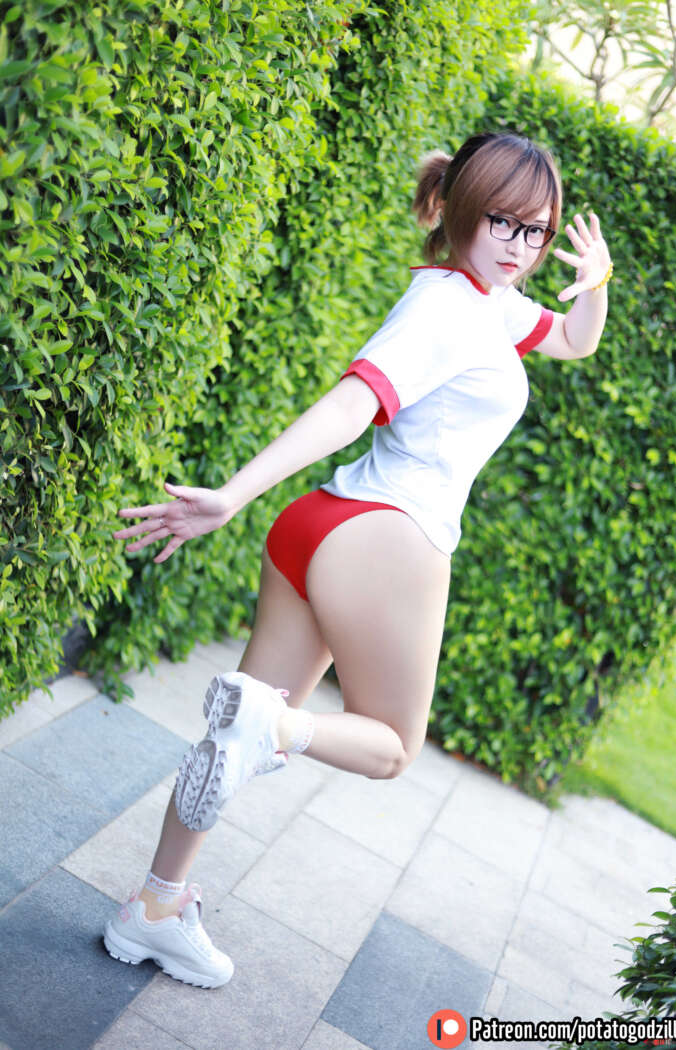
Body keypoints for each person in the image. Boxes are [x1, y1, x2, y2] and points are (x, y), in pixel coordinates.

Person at [104, 131, 612, 987]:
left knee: (230, 734)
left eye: (536, 230)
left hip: (322, 529)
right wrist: (233, 493)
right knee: (390, 747)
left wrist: (595, 282)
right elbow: (350, 403)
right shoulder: (447, 310)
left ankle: (152, 907)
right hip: (389, 538)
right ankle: (273, 731)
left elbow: (573, 340)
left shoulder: (489, 301)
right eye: (504, 222)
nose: (521, 246)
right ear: (461, 210)